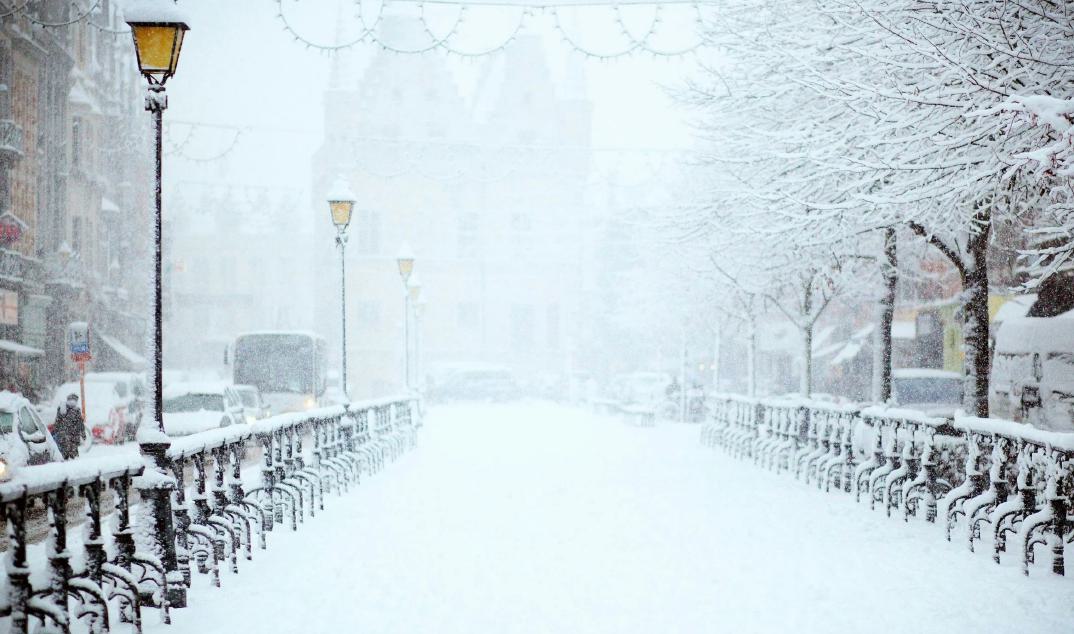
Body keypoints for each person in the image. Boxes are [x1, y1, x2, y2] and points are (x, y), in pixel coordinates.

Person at [54, 394, 86, 460]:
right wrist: (83, 434)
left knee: (64, 454)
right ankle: (73, 467)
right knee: (74, 456)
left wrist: (56, 431)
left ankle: (65, 465)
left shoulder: (62, 408)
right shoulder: (76, 410)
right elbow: (80, 424)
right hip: (74, 437)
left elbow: (57, 421)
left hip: (63, 436)